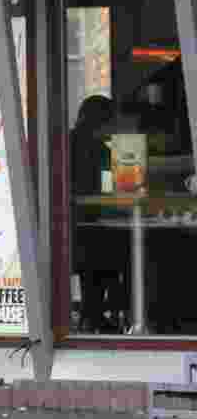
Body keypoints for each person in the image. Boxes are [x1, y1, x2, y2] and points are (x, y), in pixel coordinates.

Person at [70, 94, 125, 334]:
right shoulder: (101, 150)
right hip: (89, 226)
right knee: (109, 256)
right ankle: (95, 314)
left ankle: (91, 314)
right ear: (103, 122)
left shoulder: (62, 143)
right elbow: (109, 190)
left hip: (64, 227)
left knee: (95, 261)